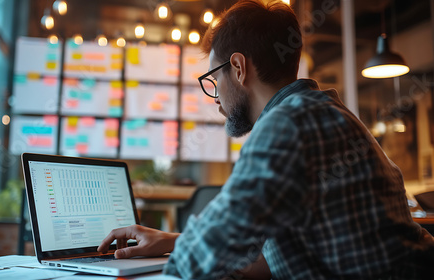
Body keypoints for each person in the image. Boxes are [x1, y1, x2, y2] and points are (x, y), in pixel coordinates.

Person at [98, 0, 434, 279]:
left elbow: (197, 261)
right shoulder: (325, 112)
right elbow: (268, 257)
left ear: (239, 68)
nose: (214, 99)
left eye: (213, 80)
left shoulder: (287, 124)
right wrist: (169, 240)